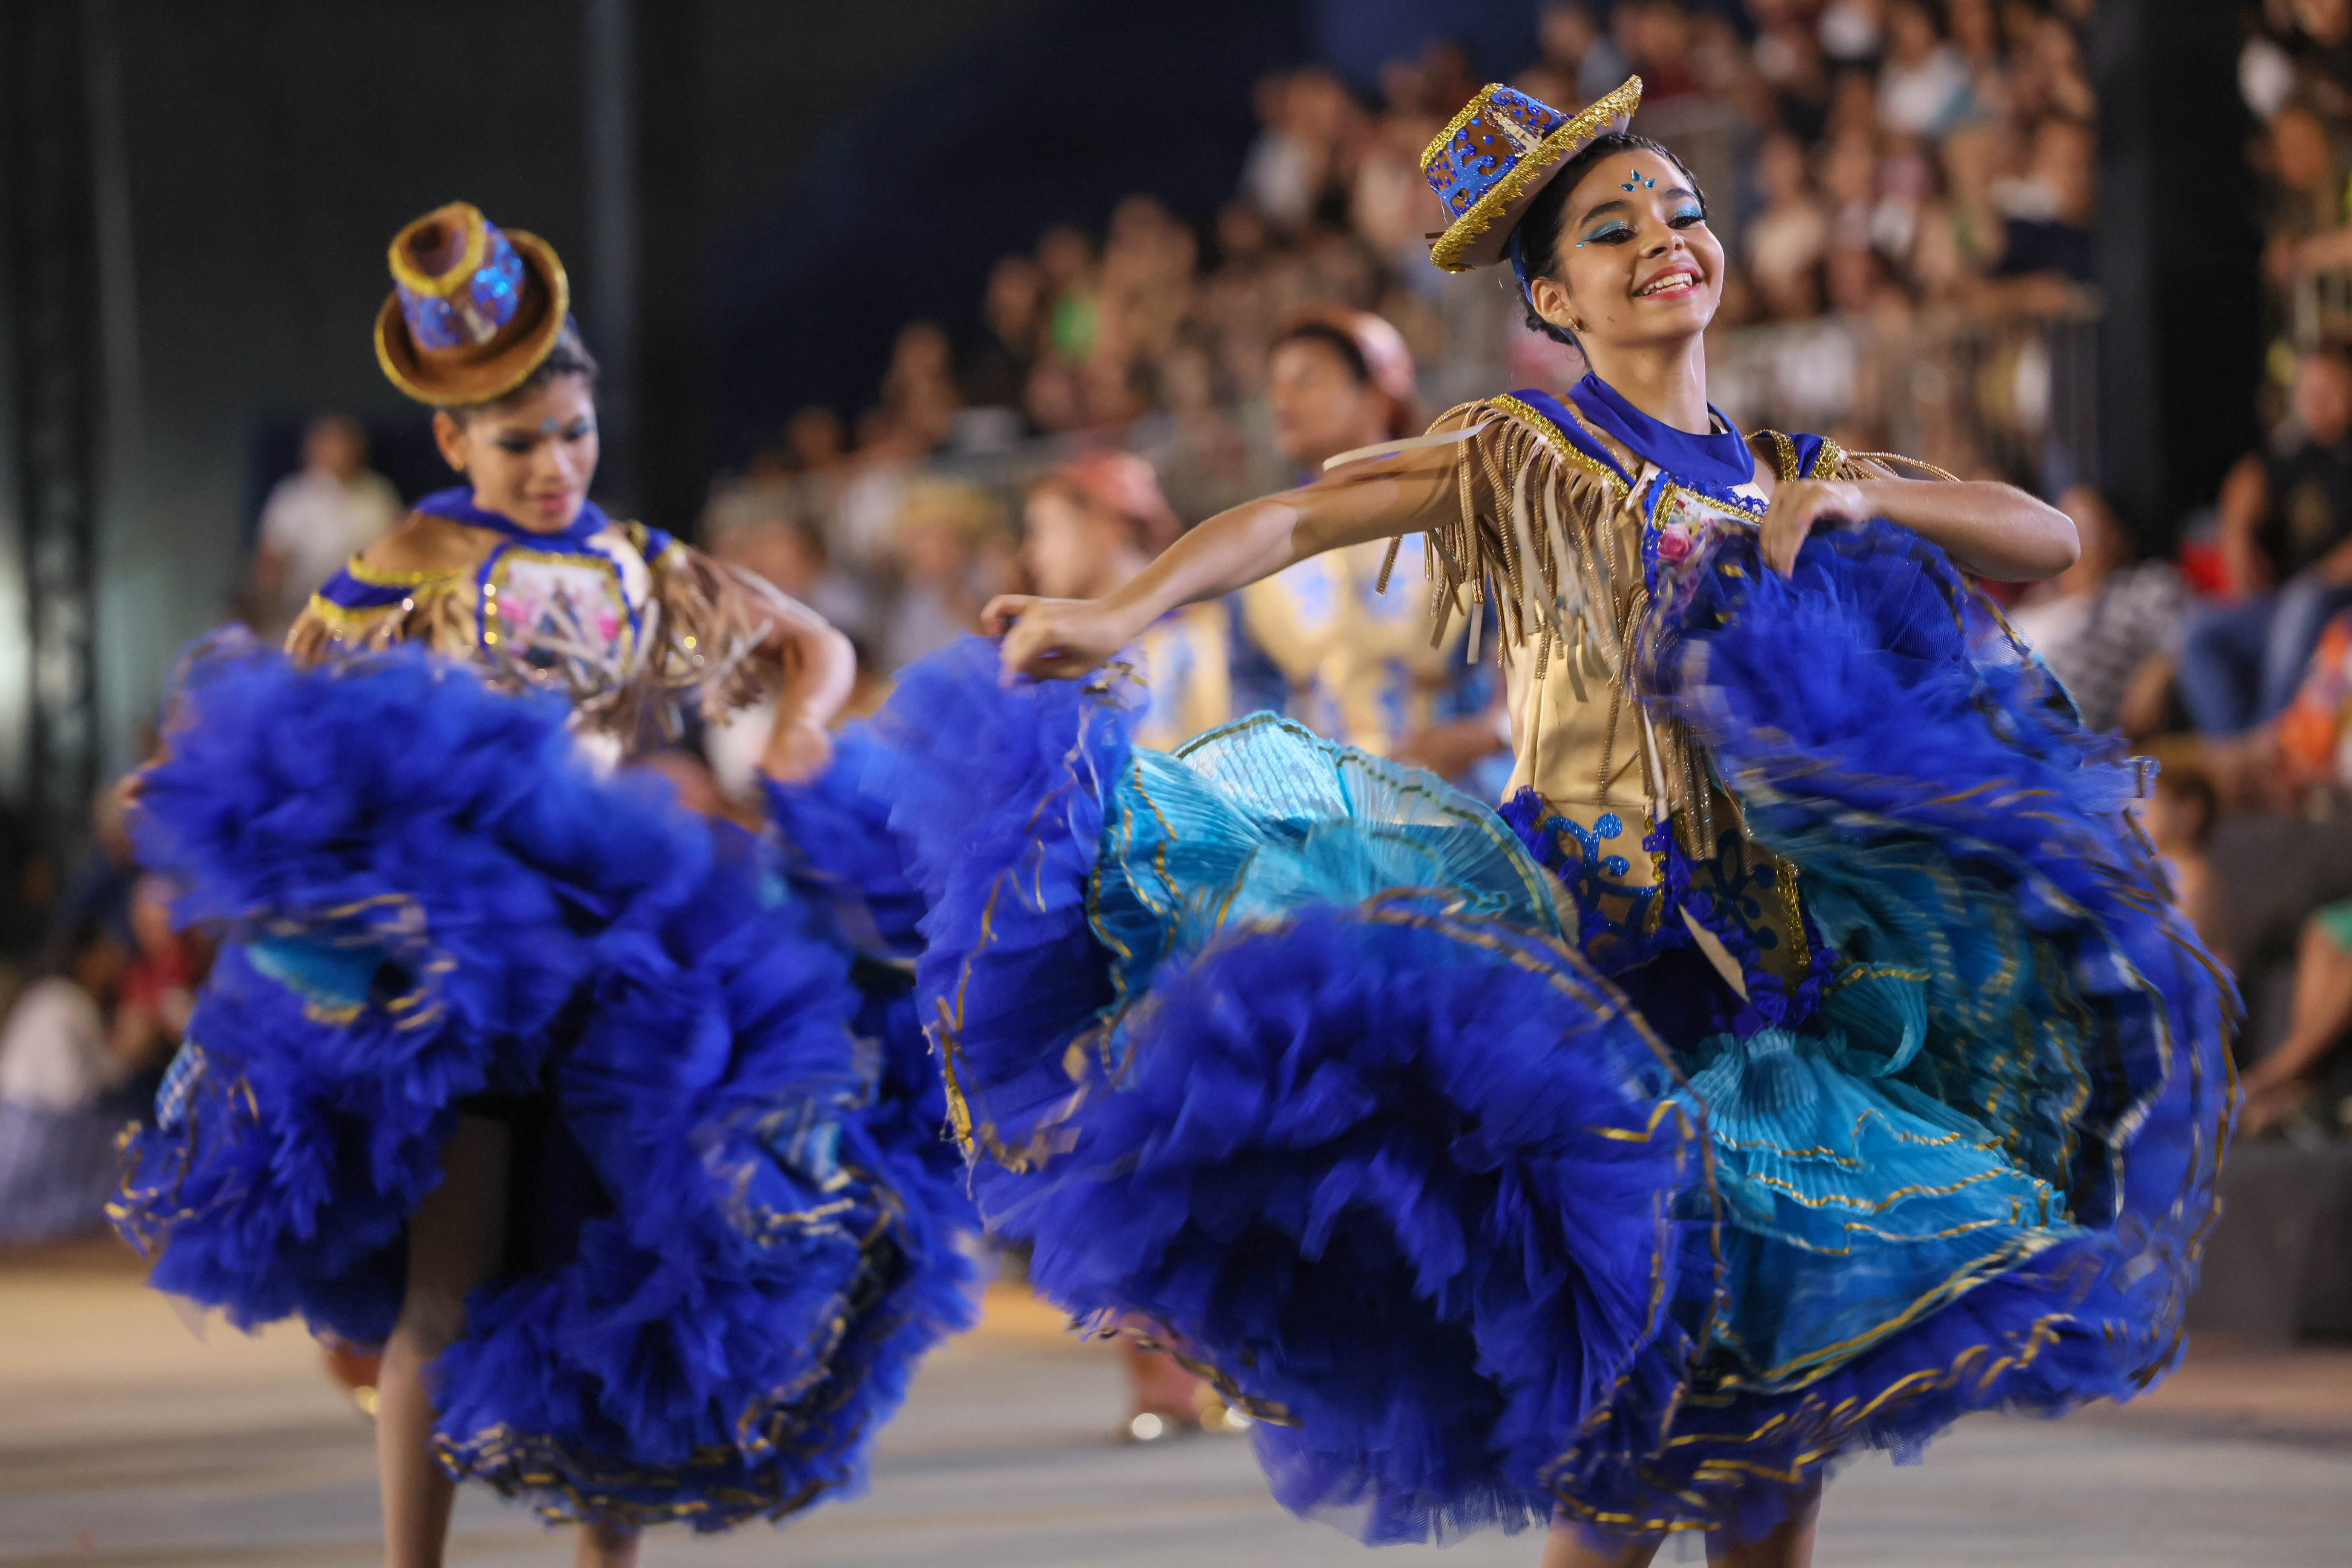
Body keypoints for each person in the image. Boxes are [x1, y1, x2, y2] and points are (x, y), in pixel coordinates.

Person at [876, 79, 2231, 1567]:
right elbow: (1299, 518)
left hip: (1790, 993)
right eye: (1613, 225)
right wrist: (1114, 605)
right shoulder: (1523, 447)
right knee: (1630, 1444)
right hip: (1598, 974)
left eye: (1683, 208)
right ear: (1552, 297)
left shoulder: (1793, 469)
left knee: (1773, 1439)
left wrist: (1871, 510)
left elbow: (2046, 535)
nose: (1664, 234)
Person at [110, 204, 973, 1568]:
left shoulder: (636, 561)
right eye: (521, 443)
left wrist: (803, 726)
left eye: (575, 433)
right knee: (442, 1295)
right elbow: (282, 728)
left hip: (631, 952)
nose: (558, 465)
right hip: (470, 959)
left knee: (628, 1272)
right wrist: (186, 789)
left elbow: (811, 642)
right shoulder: (399, 569)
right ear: (452, 440)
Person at [1240, 308, 1507, 784]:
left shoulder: (1459, 515)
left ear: (1379, 396)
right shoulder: (1262, 544)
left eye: (1308, 379)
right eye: (1275, 384)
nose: (1281, 399)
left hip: (1459, 808)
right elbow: (1248, 698)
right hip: (1325, 822)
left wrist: (1493, 730)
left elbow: (1543, 652)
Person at [2177, 347, 2352, 735]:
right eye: (2306, 388)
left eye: (2328, 386)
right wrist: (2238, 543)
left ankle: (2270, 744)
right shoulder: (2300, 454)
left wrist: (2315, 581)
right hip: (2289, 605)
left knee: (2301, 602)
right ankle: (2236, 760)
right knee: (2198, 634)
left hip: (2334, 605)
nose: (2314, 398)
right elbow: (2246, 484)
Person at [1023, 451, 1232, 754]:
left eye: (1046, 530)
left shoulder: (1197, 636)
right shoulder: (1071, 660)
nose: (1032, 554)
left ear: (1106, 527)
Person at [2005, 486, 2186, 735]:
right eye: (2057, 527)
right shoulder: (2036, 597)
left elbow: (2189, 637)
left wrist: (2159, 672)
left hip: (2048, 736)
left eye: (2084, 529)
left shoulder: (2141, 588)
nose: (2068, 540)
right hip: (1986, 717)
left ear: (2119, 538)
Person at [244, 413, 405, 639]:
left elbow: (400, 551)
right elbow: (271, 564)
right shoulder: (292, 496)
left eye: (345, 442)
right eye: (330, 442)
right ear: (312, 448)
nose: (339, 451)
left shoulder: (378, 495)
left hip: (365, 614)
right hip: (300, 612)